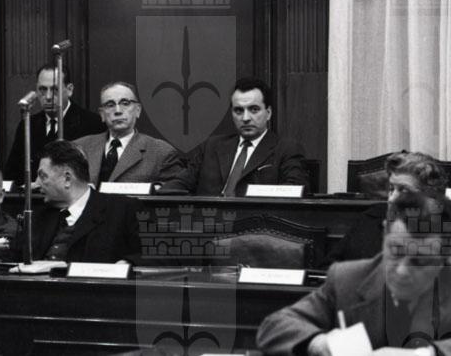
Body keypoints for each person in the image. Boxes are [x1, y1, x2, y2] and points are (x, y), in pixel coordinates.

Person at [257, 151, 451, 355]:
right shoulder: (347, 278)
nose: (402, 270)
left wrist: (425, 354)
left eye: (419, 261)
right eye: (396, 252)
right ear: (385, 234)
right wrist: (322, 344)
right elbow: (275, 326)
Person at [162, 77, 308, 196]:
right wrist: (156, 190)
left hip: (256, 221)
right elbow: (179, 184)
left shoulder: (286, 149)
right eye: (238, 111)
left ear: (268, 113)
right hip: (208, 219)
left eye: (254, 110)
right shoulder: (211, 146)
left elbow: (295, 191)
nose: (245, 118)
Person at [20, 140, 141, 264]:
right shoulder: (38, 216)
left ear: (67, 179)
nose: (36, 183)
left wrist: (126, 263)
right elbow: (14, 258)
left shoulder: (123, 210)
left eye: (42, 176)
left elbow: (149, 254)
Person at [3, 64, 105, 185]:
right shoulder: (28, 124)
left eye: (55, 90)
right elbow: (12, 174)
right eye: (42, 89)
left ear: (70, 89)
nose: (48, 97)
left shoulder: (92, 123)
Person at [73, 82, 185, 187]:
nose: (118, 111)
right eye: (110, 105)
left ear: (138, 110)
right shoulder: (79, 148)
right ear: (102, 114)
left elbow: (176, 190)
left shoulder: (161, 152)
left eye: (125, 103)